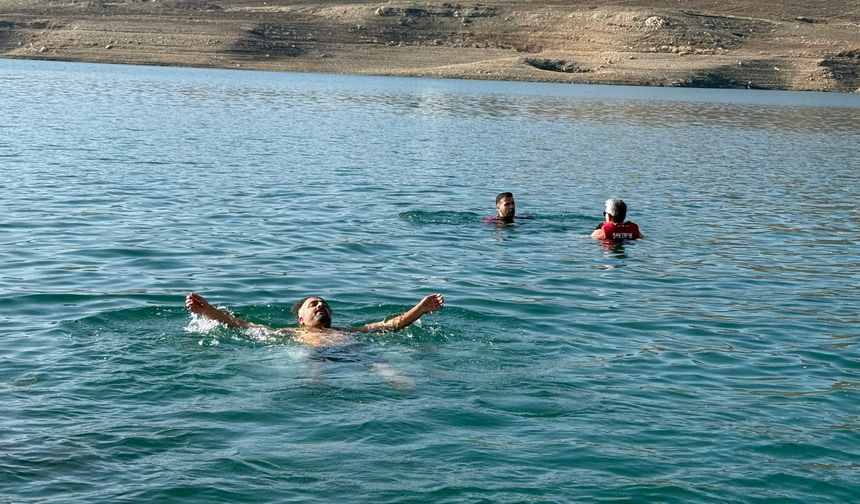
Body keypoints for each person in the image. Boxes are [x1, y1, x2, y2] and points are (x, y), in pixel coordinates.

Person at [185, 292, 444, 347]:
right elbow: (241, 326)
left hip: (356, 355)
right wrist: (207, 311)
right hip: (314, 358)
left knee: (389, 371)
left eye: (325, 305)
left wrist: (420, 308)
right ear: (301, 318)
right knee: (315, 374)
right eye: (314, 304)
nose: (321, 306)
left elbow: (391, 325)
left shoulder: (350, 330)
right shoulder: (290, 333)